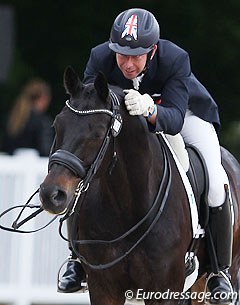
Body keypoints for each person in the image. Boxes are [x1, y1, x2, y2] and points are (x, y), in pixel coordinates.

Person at [58, 8, 233, 303]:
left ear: (152, 50)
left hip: (183, 114)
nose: (127, 64)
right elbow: (89, 106)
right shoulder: (99, 56)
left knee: (215, 180)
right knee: (88, 172)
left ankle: (218, 271)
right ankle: (77, 260)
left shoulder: (175, 59)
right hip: (124, 119)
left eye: (136, 56)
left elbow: (175, 119)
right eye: (121, 55)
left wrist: (151, 109)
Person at [1, 78, 54, 156]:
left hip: (11, 165)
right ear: (44, 99)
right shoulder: (43, 122)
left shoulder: (12, 118)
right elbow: (45, 151)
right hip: (34, 166)